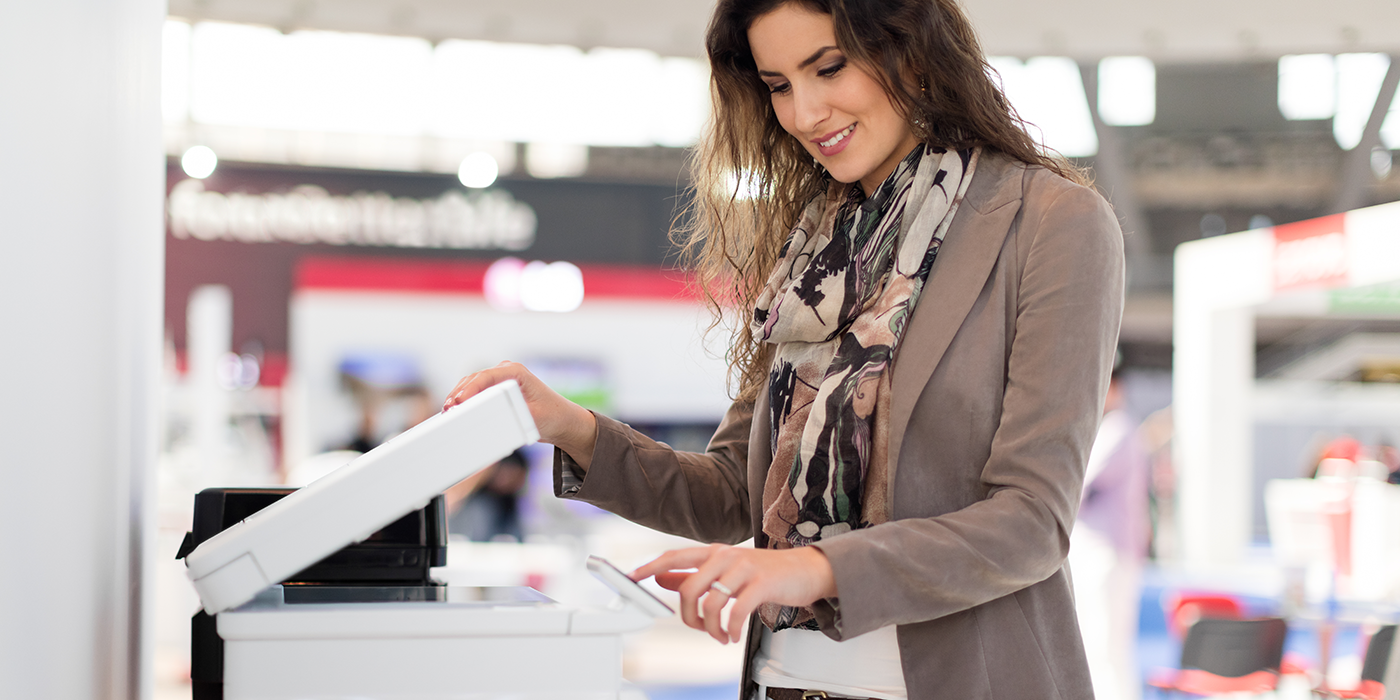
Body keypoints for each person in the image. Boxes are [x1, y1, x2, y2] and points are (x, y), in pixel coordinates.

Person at [444, 0, 1124, 697]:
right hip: (783, 682)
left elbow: (1030, 521)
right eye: (778, 86)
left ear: (912, 51)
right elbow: (732, 493)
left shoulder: (1051, 223)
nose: (803, 113)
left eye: (828, 68)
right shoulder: (817, 246)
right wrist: (570, 427)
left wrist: (814, 567)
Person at [1070, 369, 1150, 700]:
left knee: (1103, 646)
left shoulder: (1116, 428)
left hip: (1106, 553)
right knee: (1106, 646)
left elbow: (1078, 484)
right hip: (1109, 551)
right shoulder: (1118, 428)